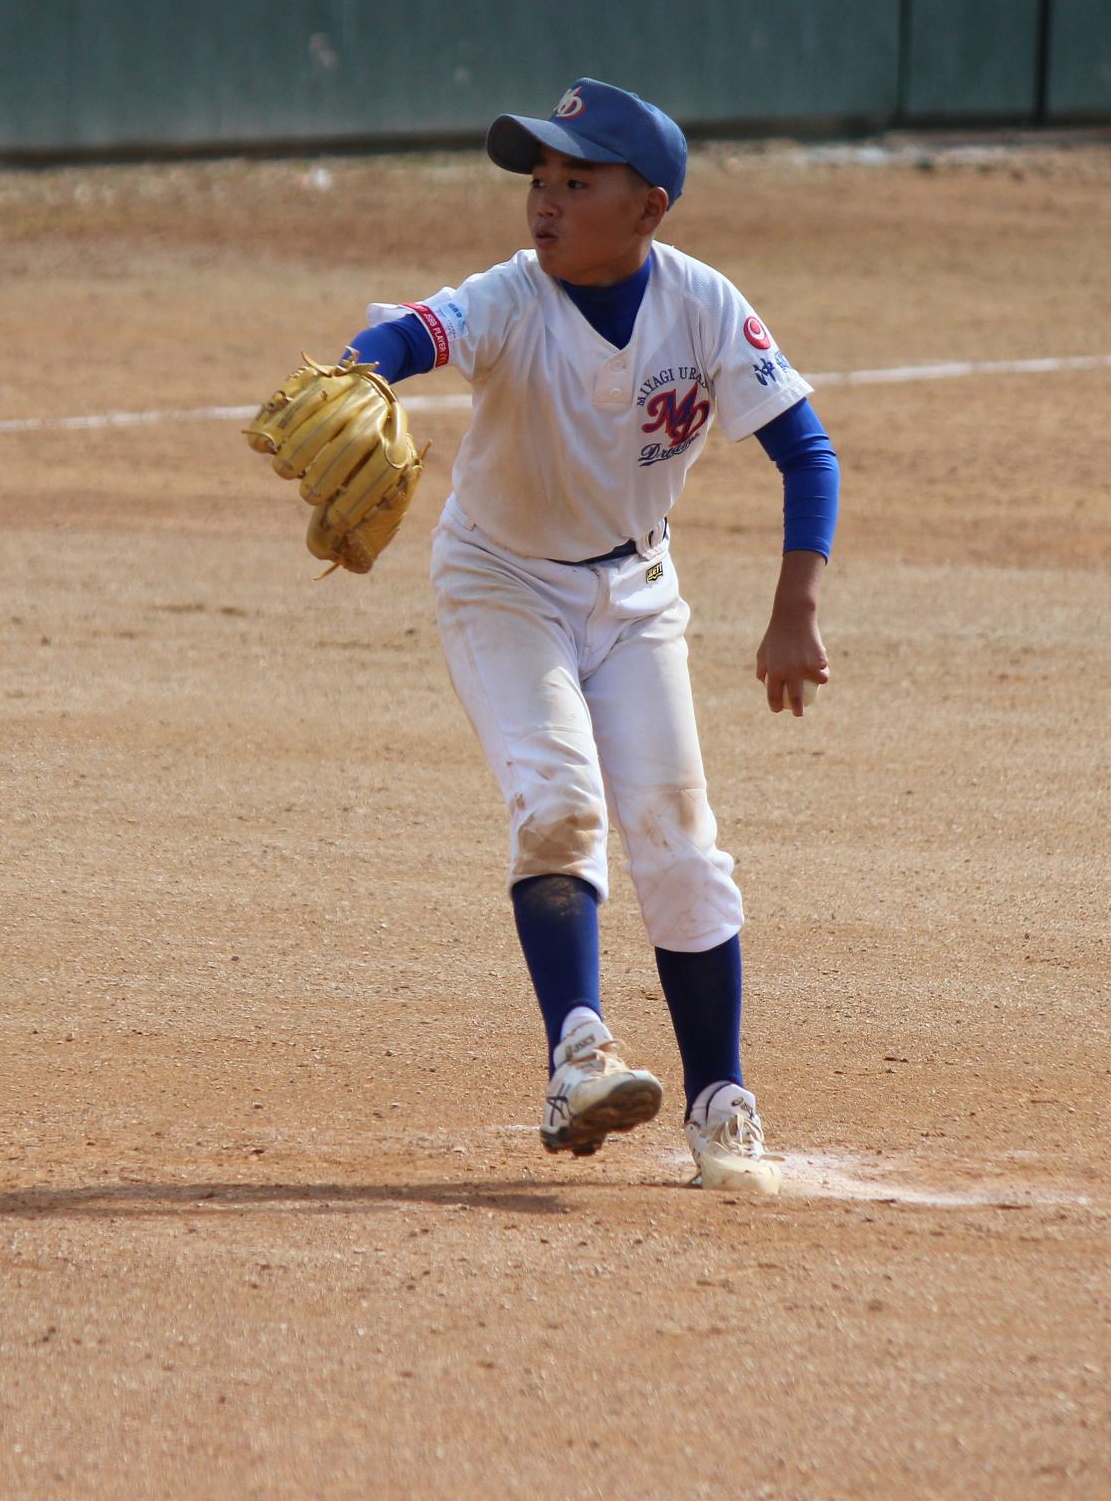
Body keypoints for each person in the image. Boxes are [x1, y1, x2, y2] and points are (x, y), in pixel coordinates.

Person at [341, 78, 838, 1193]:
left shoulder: (704, 305)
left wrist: (793, 609)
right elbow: (423, 328)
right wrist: (362, 364)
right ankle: (578, 1055)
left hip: (638, 598)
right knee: (559, 800)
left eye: (578, 179)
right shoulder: (514, 298)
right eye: (539, 179)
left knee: (681, 844)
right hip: (501, 583)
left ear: (650, 207)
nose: (545, 201)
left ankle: (722, 1103)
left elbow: (807, 454)